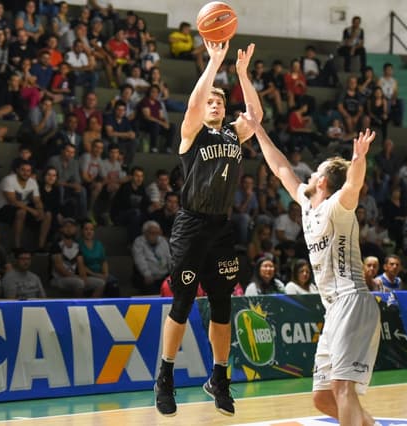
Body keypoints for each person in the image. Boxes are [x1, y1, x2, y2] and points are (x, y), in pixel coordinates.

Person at [241, 103, 380, 424]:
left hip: (352, 299)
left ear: (322, 182)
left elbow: (353, 186)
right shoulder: (306, 204)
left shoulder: (337, 207)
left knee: (342, 387)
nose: (309, 173)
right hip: (333, 309)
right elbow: (280, 168)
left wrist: (358, 161)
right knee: (321, 398)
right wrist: (258, 130)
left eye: (315, 171)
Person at [155, 41, 262, 418]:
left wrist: (243, 75)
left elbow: (256, 114)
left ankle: (219, 377)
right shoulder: (191, 133)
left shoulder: (234, 134)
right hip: (191, 225)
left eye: (219, 101)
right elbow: (193, 104)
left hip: (221, 229)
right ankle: (164, 378)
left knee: (222, 305)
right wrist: (215, 61)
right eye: (209, 102)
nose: (214, 104)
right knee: (182, 304)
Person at [0, 160, 51, 249]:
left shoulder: (32, 182)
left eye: (28, 171)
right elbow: (13, 201)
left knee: (47, 214)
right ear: (17, 170)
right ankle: (17, 246)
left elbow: (37, 200)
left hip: (24, 208)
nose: (26, 173)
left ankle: (41, 246)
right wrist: (33, 211)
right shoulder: (8, 180)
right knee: (21, 212)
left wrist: (40, 210)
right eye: (23, 170)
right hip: (4, 209)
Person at [50, 217, 105, 297]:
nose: (69, 229)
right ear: (61, 229)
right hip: (58, 279)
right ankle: (78, 308)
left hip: (75, 277)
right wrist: (77, 277)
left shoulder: (77, 245)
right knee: (79, 282)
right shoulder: (56, 245)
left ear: (75, 229)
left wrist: (84, 277)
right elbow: (59, 267)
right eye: (66, 226)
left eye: (72, 226)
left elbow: (80, 264)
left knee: (100, 283)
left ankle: (90, 306)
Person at [132, 220, 170, 294]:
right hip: (147, 275)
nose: (155, 236)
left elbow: (169, 257)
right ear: (145, 233)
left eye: (157, 233)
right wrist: (147, 274)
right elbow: (140, 260)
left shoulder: (162, 241)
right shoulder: (138, 242)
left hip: (164, 275)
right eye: (152, 233)